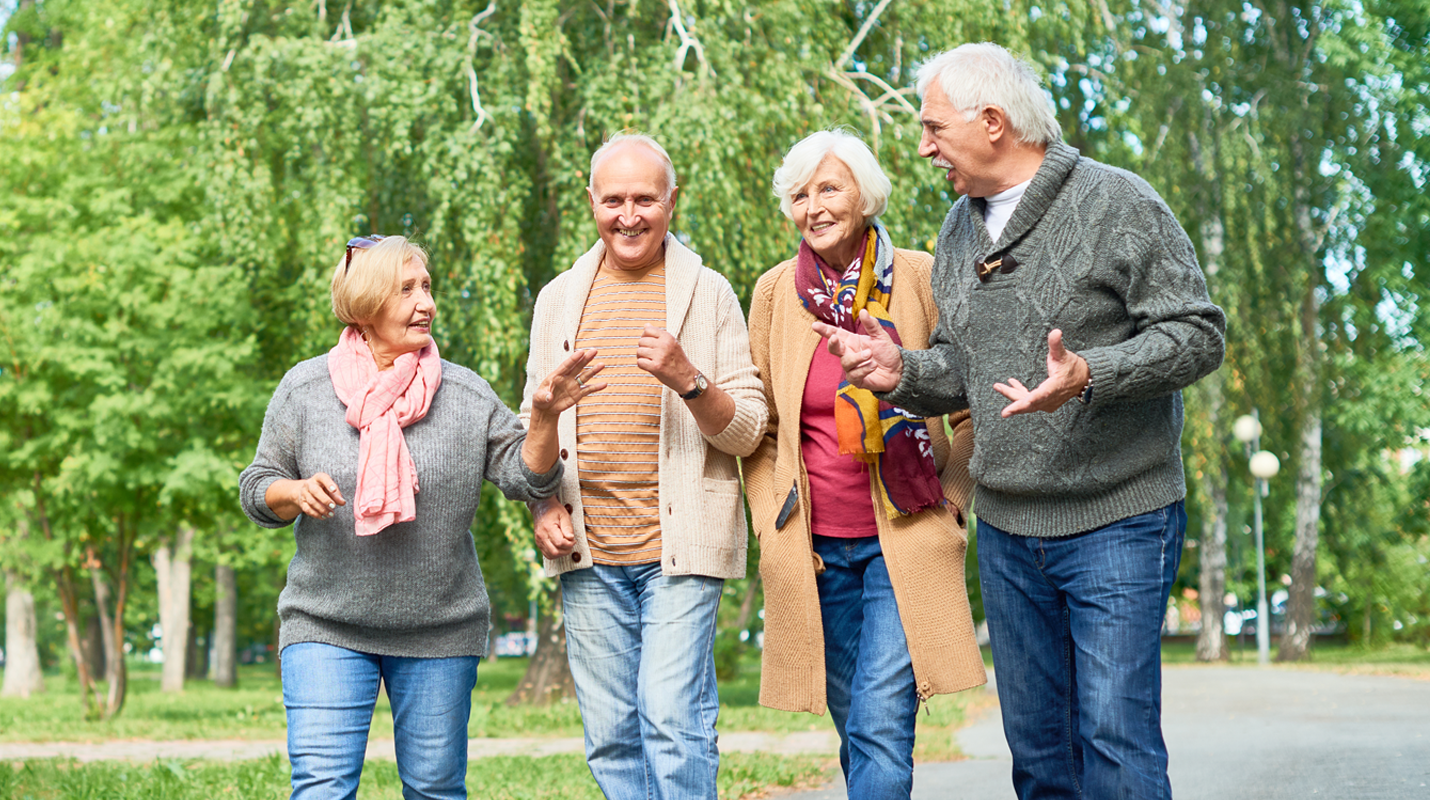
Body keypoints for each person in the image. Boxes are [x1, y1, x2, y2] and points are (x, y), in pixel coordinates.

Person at [816, 43, 1226, 800]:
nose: (923, 145)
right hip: (1009, 534)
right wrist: (900, 371)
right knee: (1038, 758)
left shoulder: (1119, 203)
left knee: (1114, 742)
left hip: (1118, 520)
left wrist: (1090, 375)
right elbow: (962, 368)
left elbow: (1198, 335)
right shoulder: (957, 229)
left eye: (934, 127)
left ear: (994, 122)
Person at [239, 235, 601, 800]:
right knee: (321, 787)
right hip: (326, 624)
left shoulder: (463, 393)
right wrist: (294, 492)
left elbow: (527, 479)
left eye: (427, 287)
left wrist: (546, 418)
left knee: (434, 788)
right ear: (365, 304)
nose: (425, 302)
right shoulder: (305, 390)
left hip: (439, 629)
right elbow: (257, 487)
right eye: (406, 290)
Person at [741, 129, 986, 798]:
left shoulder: (920, 276)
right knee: (855, 726)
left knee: (879, 721)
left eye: (828, 187)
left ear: (865, 194)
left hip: (903, 540)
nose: (813, 206)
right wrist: (770, 521)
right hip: (814, 551)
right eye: (799, 194)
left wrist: (954, 505)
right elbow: (759, 428)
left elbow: (971, 410)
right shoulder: (772, 294)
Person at [521, 133, 767, 799]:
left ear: (671, 201)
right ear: (591, 200)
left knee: (670, 717)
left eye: (645, 200)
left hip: (679, 551)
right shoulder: (558, 300)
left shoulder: (707, 294)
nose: (629, 216)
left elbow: (748, 430)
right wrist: (541, 499)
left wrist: (690, 380)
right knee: (609, 733)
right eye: (614, 200)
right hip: (588, 551)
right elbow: (530, 450)